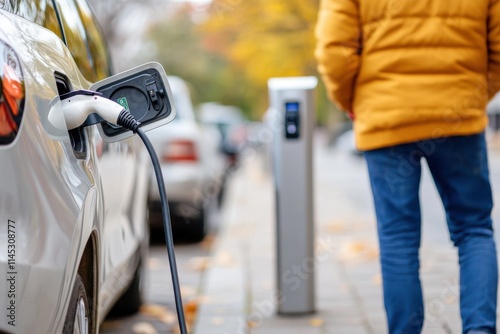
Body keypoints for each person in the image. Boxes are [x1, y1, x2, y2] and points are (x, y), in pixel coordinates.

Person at [315, 0, 500, 333]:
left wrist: (354, 102)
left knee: (398, 238)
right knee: (474, 229)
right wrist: (472, 97)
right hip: (458, 115)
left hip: (386, 117)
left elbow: (334, 51)